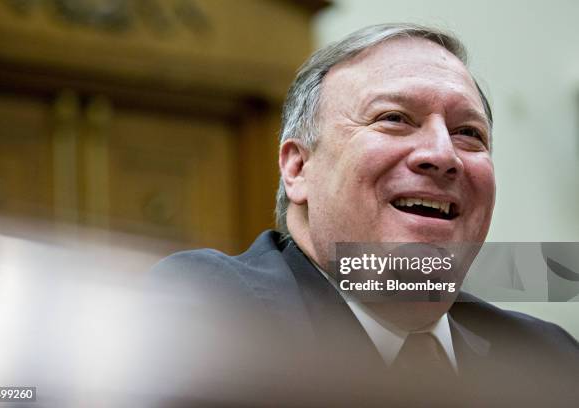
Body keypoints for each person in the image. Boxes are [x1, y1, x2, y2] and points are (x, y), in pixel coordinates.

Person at [149, 24, 579, 407]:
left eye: (468, 133)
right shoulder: (215, 312)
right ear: (299, 168)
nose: (443, 155)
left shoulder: (547, 359)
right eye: (394, 119)